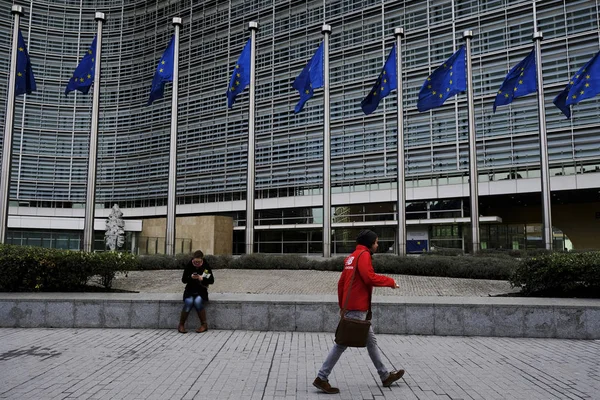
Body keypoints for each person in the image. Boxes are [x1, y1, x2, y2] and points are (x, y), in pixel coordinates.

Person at [313, 229, 405, 394]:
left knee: (371, 341)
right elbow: (369, 277)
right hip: (357, 307)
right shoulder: (363, 256)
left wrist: (343, 306)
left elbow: (341, 283)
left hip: (351, 306)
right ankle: (321, 377)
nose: (377, 245)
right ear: (369, 243)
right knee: (341, 343)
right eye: (376, 242)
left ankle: (385, 376)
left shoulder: (351, 257)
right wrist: (390, 282)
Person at [178, 250, 214, 333]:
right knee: (189, 302)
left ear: (202, 259)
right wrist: (190, 277)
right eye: (195, 261)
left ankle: (204, 325)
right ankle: (181, 325)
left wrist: (203, 278)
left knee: (197, 302)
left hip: (201, 290)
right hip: (190, 290)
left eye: (199, 261)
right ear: (193, 259)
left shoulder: (205, 265)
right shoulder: (189, 265)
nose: (197, 263)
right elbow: (183, 280)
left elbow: (211, 280)